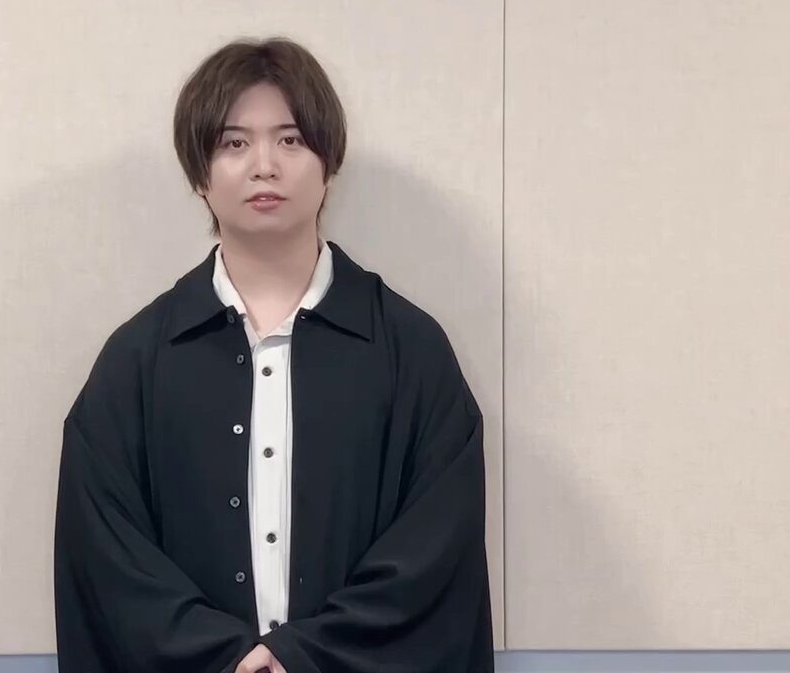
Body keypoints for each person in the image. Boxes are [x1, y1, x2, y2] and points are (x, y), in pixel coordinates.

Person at [54, 36, 493, 672]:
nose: (264, 165)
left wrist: (303, 657)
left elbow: (435, 552)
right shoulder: (137, 361)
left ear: (329, 164)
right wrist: (224, 658)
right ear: (199, 174)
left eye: (290, 140)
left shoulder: (411, 351)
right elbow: (107, 556)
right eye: (234, 144)